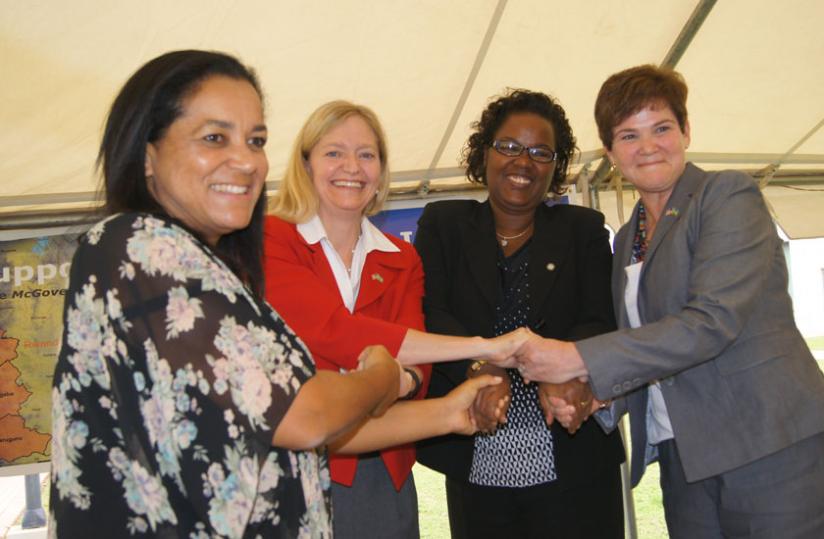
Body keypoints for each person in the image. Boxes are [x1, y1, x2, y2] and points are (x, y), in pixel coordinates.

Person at [49, 50, 503, 539]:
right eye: (214, 137)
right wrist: (387, 375)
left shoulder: (210, 266)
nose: (245, 159)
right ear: (147, 152)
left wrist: (450, 410)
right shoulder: (142, 249)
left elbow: (291, 415)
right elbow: (306, 412)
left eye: (256, 140)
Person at [515, 65, 824, 538]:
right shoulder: (625, 238)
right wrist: (597, 394)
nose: (648, 146)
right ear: (611, 152)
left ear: (685, 131)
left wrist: (576, 357)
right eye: (629, 135)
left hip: (766, 446)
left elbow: (710, 323)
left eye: (661, 128)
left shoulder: (726, 195)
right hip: (682, 456)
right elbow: (645, 347)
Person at [263, 100, 524, 539]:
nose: (353, 167)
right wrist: (481, 347)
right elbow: (334, 331)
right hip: (289, 463)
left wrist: (391, 380)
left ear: (382, 170)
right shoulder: (273, 238)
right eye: (334, 152)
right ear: (305, 163)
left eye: (367, 154)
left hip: (380, 466)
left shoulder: (402, 258)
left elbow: (412, 369)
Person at [413, 89, 625, 539]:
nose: (522, 162)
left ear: (555, 165)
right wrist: (478, 368)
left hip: (573, 451)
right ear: (483, 152)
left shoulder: (582, 230)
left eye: (539, 152)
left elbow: (598, 316)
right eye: (508, 146)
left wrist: (571, 370)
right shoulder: (444, 225)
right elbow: (430, 311)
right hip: (477, 453)